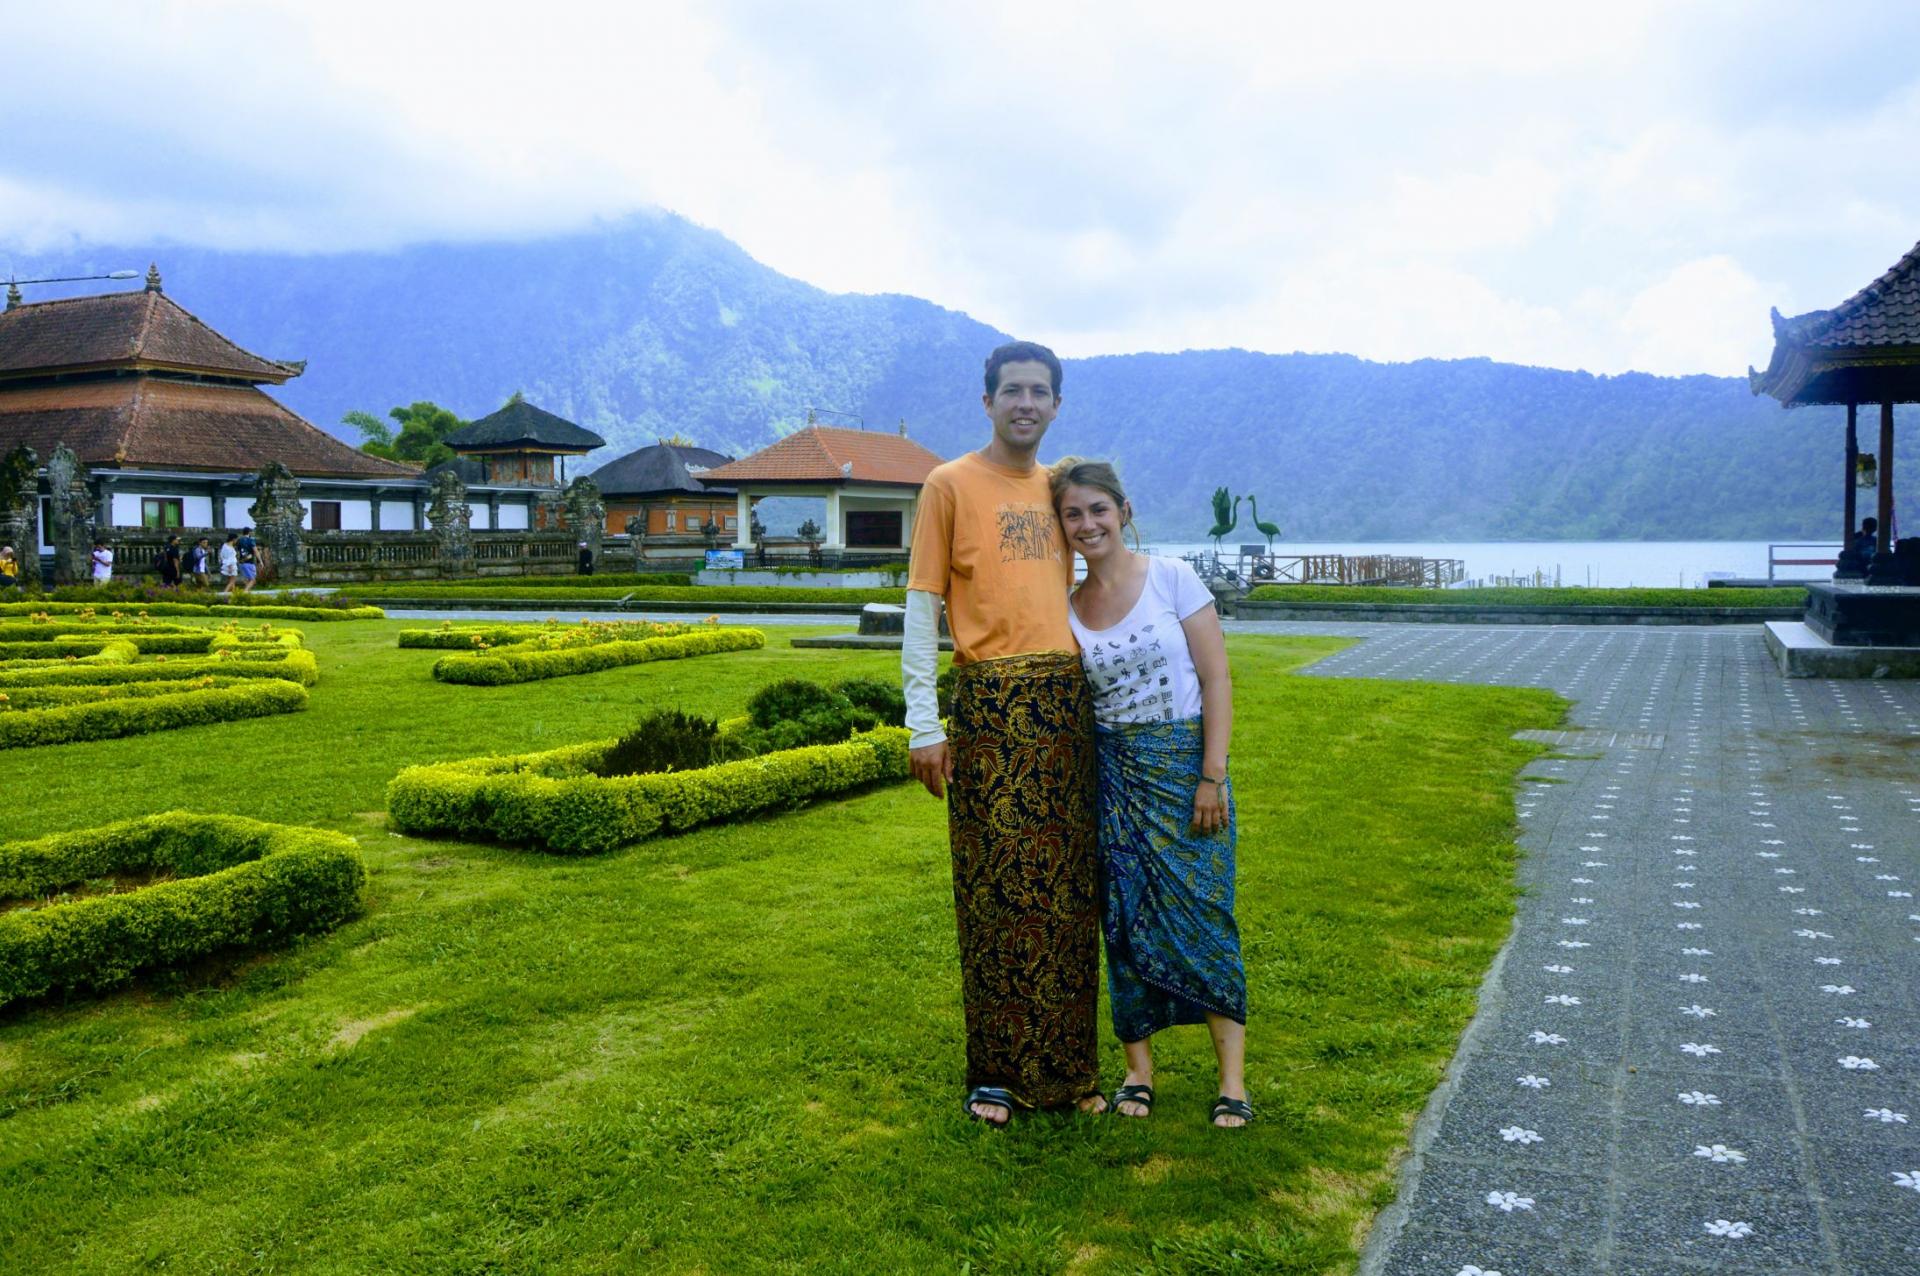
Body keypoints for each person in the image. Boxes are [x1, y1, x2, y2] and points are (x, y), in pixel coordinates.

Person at [903, 340, 1104, 1126]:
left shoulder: (1063, 490)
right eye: (1012, 390)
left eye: (1040, 392)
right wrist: (925, 723)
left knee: (1068, 891)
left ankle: (1071, 1072)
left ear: (1057, 406)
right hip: (989, 707)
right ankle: (994, 1073)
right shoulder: (949, 484)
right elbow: (922, 608)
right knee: (993, 890)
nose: (1026, 403)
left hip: (1068, 709)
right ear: (986, 401)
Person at [1051, 458, 1251, 1129]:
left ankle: (1232, 1082)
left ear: (1124, 511)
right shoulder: (1069, 610)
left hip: (1188, 771)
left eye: (1097, 510)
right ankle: (1139, 1071)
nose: (1087, 524)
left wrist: (1211, 774)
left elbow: (1216, 679)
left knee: (1206, 914)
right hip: (1118, 780)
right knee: (1125, 918)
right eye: (1073, 514)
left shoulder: (1172, 578)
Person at [218, 532, 240, 598]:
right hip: (231, 565)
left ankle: (234, 594)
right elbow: (229, 558)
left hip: (227, 564)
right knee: (232, 581)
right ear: (233, 539)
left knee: (231, 582)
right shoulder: (228, 547)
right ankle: (224, 594)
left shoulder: (225, 546)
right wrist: (230, 567)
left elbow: (222, 556)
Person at [236, 528, 258, 593]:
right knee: (252, 580)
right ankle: (244, 592)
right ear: (249, 532)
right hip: (249, 562)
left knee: (248, 580)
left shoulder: (239, 541)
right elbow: (256, 551)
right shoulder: (251, 540)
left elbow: (237, 552)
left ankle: (247, 592)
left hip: (241, 562)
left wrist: (238, 561)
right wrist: (260, 561)